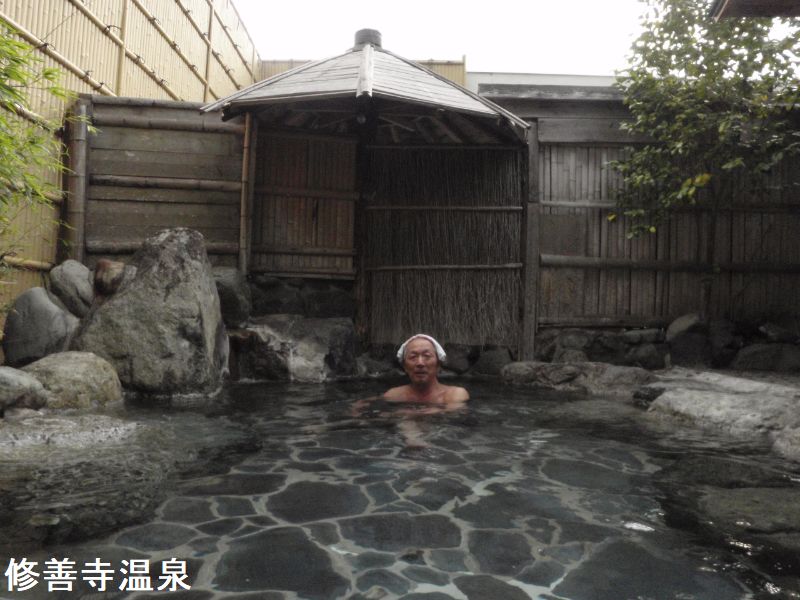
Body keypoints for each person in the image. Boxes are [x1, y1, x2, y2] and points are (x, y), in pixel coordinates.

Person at [383, 334, 469, 407]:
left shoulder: (455, 395)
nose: (420, 363)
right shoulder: (393, 395)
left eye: (427, 356)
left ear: (438, 364)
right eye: (413, 357)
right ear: (404, 366)